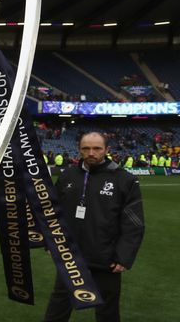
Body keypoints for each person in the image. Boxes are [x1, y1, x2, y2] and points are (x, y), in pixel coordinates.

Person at [43, 132, 145, 322]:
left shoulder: (125, 180)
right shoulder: (68, 176)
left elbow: (134, 222)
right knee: (58, 306)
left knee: (108, 311)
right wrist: (51, 242)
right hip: (71, 256)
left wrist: (123, 256)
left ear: (107, 150)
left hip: (106, 258)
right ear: (79, 149)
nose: (91, 153)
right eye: (86, 148)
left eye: (97, 148)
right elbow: (54, 213)